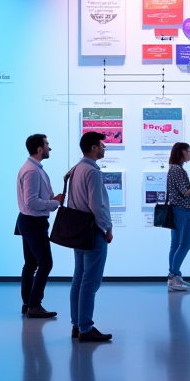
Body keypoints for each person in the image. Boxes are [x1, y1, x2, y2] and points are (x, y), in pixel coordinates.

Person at [67, 131, 113, 343]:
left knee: (79, 279)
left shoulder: (76, 169)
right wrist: (107, 227)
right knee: (90, 282)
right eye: (102, 145)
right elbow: (97, 205)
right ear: (93, 148)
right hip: (93, 231)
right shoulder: (93, 172)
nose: (104, 148)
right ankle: (86, 327)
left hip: (78, 231)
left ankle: (77, 325)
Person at [16, 133, 64, 318]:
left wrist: (53, 199)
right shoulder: (32, 171)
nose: (49, 148)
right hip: (33, 222)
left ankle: (28, 303)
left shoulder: (34, 169)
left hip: (29, 221)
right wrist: (55, 203)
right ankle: (34, 304)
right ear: (39, 149)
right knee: (45, 263)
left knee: (30, 264)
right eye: (47, 145)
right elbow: (32, 202)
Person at [166, 141, 190, 291]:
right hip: (184, 211)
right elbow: (185, 192)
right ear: (180, 152)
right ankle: (174, 276)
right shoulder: (177, 170)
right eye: (188, 151)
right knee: (185, 244)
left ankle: (174, 276)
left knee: (175, 244)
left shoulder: (174, 169)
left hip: (177, 210)